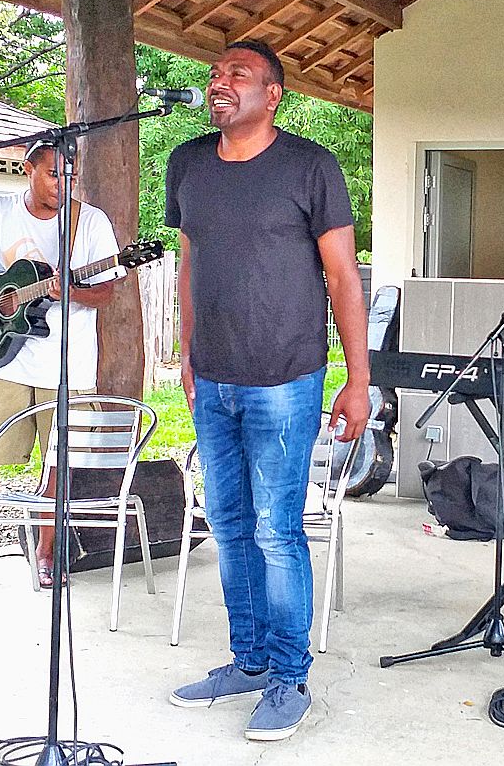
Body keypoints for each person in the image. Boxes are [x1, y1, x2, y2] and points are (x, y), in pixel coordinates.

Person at [163, 40, 370, 742]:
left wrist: (358, 379)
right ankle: (248, 661)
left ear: (273, 93)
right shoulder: (188, 163)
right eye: (215, 73)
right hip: (213, 378)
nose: (219, 82)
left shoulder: (311, 166)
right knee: (227, 524)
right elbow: (189, 264)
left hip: (285, 378)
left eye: (238, 74)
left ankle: (289, 677)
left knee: (276, 530)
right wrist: (187, 352)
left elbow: (343, 277)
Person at [0, 141, 122, 594]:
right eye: (53, 174)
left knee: (58, 465)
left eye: (70, 175)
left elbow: (106, 293)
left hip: (67, 366)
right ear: (27, 168)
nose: (63, 184)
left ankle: (45, 554)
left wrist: (67, 292)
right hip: (6, 361)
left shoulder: (90, 222)